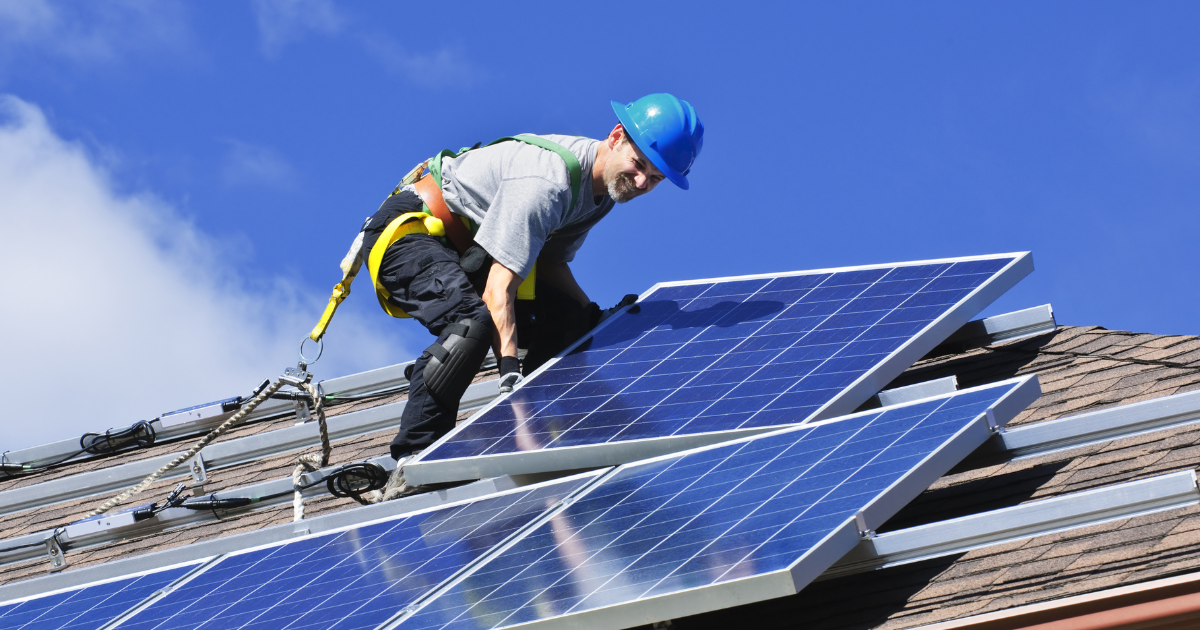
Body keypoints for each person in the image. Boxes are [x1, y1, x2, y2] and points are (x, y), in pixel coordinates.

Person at [360, 93, 703, 495]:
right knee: (471, 324)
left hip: (469, 250)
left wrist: (591, 315)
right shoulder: (549, 182)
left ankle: (555, 428)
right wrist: (510, 376)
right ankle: (415, 462)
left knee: (573, 323)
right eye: (639, 164)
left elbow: (550, 263)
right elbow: (498, 290)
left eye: (656, 178)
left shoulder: (601, 195)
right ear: (615, 137)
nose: (642, 182)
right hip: (411, 231)